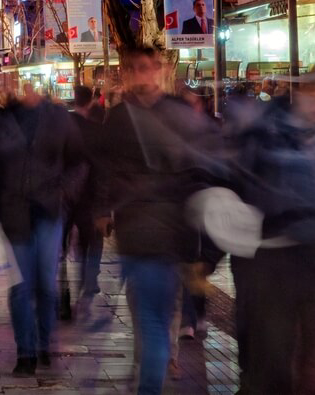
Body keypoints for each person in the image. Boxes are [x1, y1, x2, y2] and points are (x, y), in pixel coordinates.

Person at [94, 46, 216, 395]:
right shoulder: (121, 117)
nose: (140, 75)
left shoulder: (164, 114)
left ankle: (148, 381)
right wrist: (103, 209)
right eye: (134, 69)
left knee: (151, 319)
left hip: (164, 232)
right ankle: (150, 370)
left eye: (145, 68)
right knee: (156, 317)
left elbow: (200, 173)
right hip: (145, 233)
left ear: (158, 70)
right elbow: (105, 168)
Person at [221, 75, 315, 394]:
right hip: (272, 260)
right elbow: (233, 185)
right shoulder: (264, 131)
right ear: (302, 94)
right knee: (274, 352)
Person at [0, 82, 84, 376]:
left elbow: (78, 162)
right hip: (15, 213)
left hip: (49, 210)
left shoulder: (59, 118)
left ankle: (45, 342)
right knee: (20, 287)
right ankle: (26, 351)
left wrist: (64, 192)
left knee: (46, 286)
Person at [67, 85, 104, 317]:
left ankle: (70, 290)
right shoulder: (96, 130)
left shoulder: (65, 125)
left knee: (70, 243)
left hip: (68, 194)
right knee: (93, 241)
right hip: (91, 194)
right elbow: (103, 166)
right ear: (91, 100)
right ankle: (88, 282)